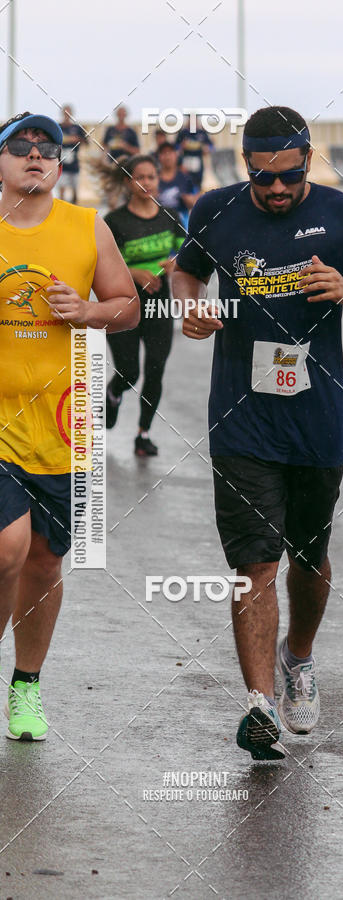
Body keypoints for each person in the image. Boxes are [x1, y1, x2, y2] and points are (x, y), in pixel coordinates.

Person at [173, 106, 343, 760]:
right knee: (254, 559)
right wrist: (190, 305)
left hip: (314, 419)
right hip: (239, 417)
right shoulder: (215, 210)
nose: (275, 189)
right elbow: (185, 269)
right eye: (261, 176)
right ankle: (257, 704)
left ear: (308, 159)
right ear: (244, 164)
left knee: (308, 558)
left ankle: (298, 658)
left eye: (288, 175)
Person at [0, 112, 138, 740]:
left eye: (47, 148)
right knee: (7, 548)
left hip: (64, 422)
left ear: (60, 163)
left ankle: (25, 685)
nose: (35, 156)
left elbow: (129, 307)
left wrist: (86, 310)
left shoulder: (87, 228)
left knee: (45, 565)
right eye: (20, 147)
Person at [104, 155, 186, 457]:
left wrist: (176, 262)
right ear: (128, 182)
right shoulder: (114, 221)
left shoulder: (170, 215)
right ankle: (113, 392)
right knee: (128, 373)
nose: (147, 183)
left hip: (159, 307)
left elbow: (187, 249)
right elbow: (100, 266)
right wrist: (134, 273)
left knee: (155, 370)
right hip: (123, 304)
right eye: (140, 177)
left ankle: (143, 434)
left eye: (151, 177)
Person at [102, 107, 140, 209]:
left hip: (126, 167)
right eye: (119, 113)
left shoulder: (131, 132)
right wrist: (104, 161)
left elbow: (137, 151)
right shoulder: (110, 130)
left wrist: (125, 146)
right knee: (112, 195)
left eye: (123, 113)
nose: (121, 116)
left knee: (127, 194)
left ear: (126, 115)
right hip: (112, 166)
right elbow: (104, 147)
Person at [157, 141, 199, 227]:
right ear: (159, 156)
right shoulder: (153, 178)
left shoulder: (185, 178)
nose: (167, 157)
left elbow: (196, 203)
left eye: (170, 153)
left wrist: (189, 200)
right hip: (160, 227)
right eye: (164, 153)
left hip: (182, 226)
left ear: (176, 155)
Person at [57, 104, 87, 205]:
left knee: (75, 189)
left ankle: (75, 206)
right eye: (65, 112)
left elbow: (86, 141)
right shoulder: (58, 127)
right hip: (61, 163)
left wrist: (76, 139)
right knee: (61, 188)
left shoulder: (77, 128)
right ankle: (61, 208)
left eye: (68, 112)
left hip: (74, 163)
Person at [175, 116, 213, 191]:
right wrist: (181, 146)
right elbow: (175, 146)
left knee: (198, 183)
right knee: (185, 182)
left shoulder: (202, 133)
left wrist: (207, 149)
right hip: (186, 161)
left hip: (198, 162)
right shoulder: (183, 133)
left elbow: (212, 146)